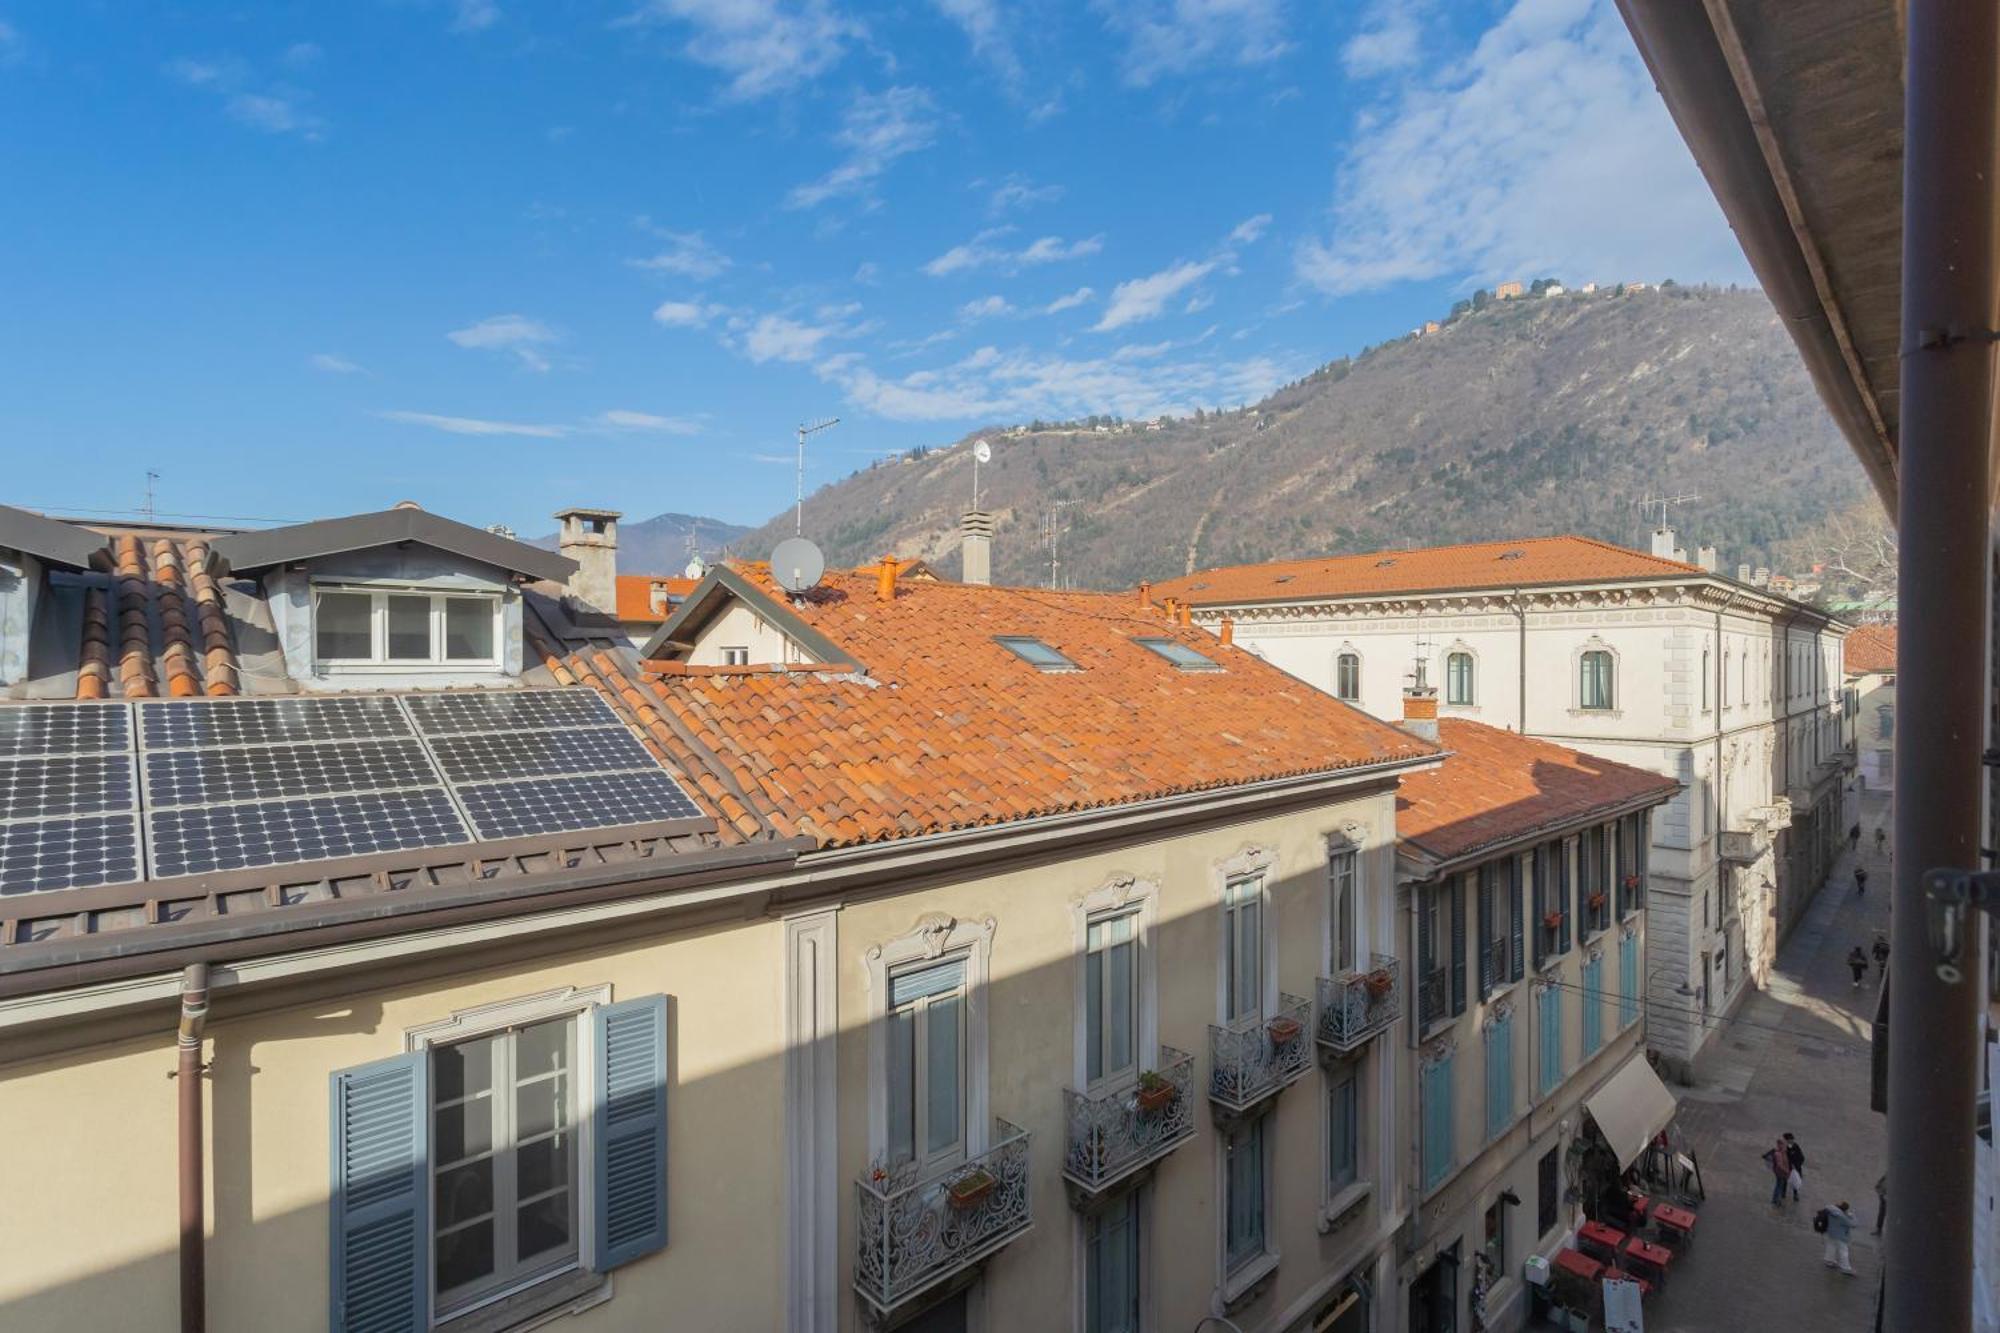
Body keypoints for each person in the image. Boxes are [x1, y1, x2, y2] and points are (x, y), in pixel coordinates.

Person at [1822, 1200, 1857, 1274]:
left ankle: (1829, 1261)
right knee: (1844, 1251)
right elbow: (1853, 1224)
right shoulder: (1842, 1217)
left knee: (1831, 1246)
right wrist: (1852, 1216)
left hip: (1830, 1233)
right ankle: (1845, 1268)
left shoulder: (1830, 1210)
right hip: (1840, 1236)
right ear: (1845, 1210)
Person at [1763, 1138, 1792, 1207]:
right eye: (1783, 1144)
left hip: (1779, 1172)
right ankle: (1776, 1201)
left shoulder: (1781, 1152)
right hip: (1780, 1172)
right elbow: (1780, 1165)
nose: (1785, 1146)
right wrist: (1786, 1171)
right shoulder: (1778, 1153)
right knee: (1779, 1186)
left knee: (1778, 1185)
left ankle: (1775, 1200)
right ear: (1780, 1145)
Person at [1784, 1132, 1806, 1201]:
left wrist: (1797, 1165)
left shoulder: (1796, 1146)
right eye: (1789, 1140)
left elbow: (1802, 1157)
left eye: (1791, 1139)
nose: (1790, 1141)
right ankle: (1783, 1193)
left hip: (1796, 1167)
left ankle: (1795, 1194)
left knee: (1795, 1181)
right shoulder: (1785, 1148)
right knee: (1784, 1180)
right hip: (1788, 1167)